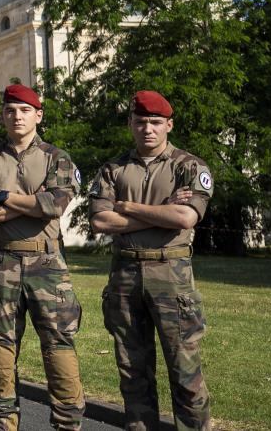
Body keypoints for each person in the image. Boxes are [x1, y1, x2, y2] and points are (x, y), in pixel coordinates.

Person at [89, 90, 213, 431]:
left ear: (169, 125)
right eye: (141, 122)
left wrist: (127, 208)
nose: (148, 129)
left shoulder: (189, 166)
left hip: (171, 275)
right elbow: (100, 221)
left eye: (156, 122)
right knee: (133, 370)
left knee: (184, 370)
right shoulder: (113, 169)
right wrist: (163, 213)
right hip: (125, 274)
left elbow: (186, 217)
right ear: (130, 123)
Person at [0, 83, 84, 431]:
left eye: (25, 110)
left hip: (47, 264)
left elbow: (54, 205)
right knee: (1, 344)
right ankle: (4, 422)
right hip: (3, 262)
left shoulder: (56, 158)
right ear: (3, 115)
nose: (17, 116)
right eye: (10, 110)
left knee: (58, 343)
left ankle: (67, 423)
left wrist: (1, 197)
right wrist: (33, 204)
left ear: (38, 114)